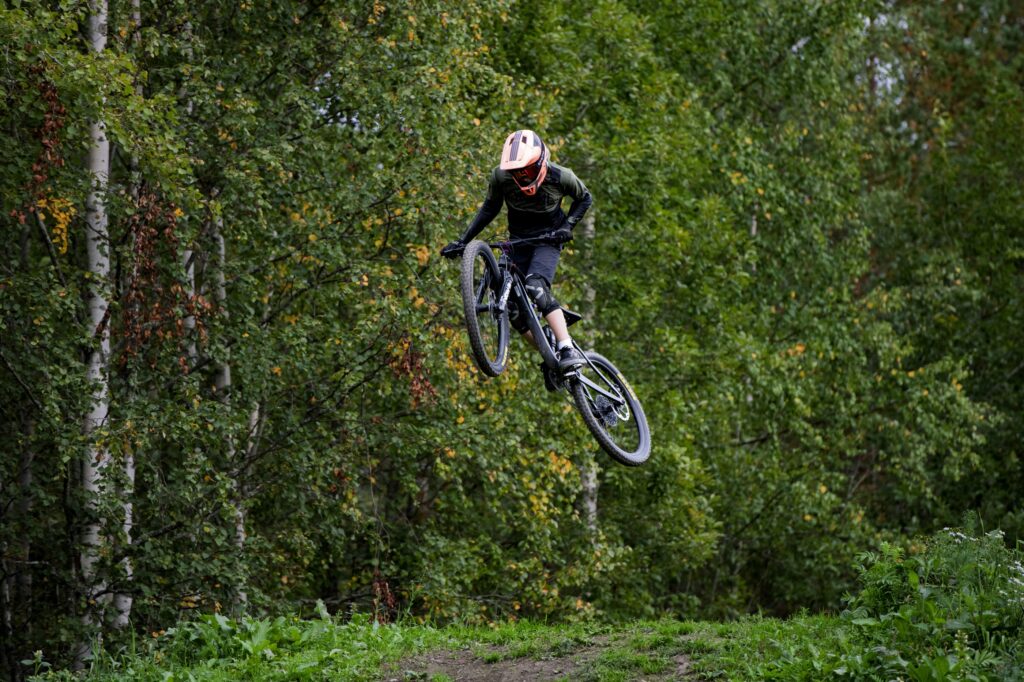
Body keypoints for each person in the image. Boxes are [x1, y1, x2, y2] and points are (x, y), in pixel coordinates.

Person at [441, 129, 593, 375]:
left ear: (541, 162)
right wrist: (463, 241)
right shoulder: (500, 177)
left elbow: (584, 198)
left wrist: (567, 226)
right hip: (519, 240)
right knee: (510, 306)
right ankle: (550, 355)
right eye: (516, 172)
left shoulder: (561, 176)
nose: (521, 177)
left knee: (535, 285)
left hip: (549, 239)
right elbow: (490, 208)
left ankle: (567, 348)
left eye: (527, 171)